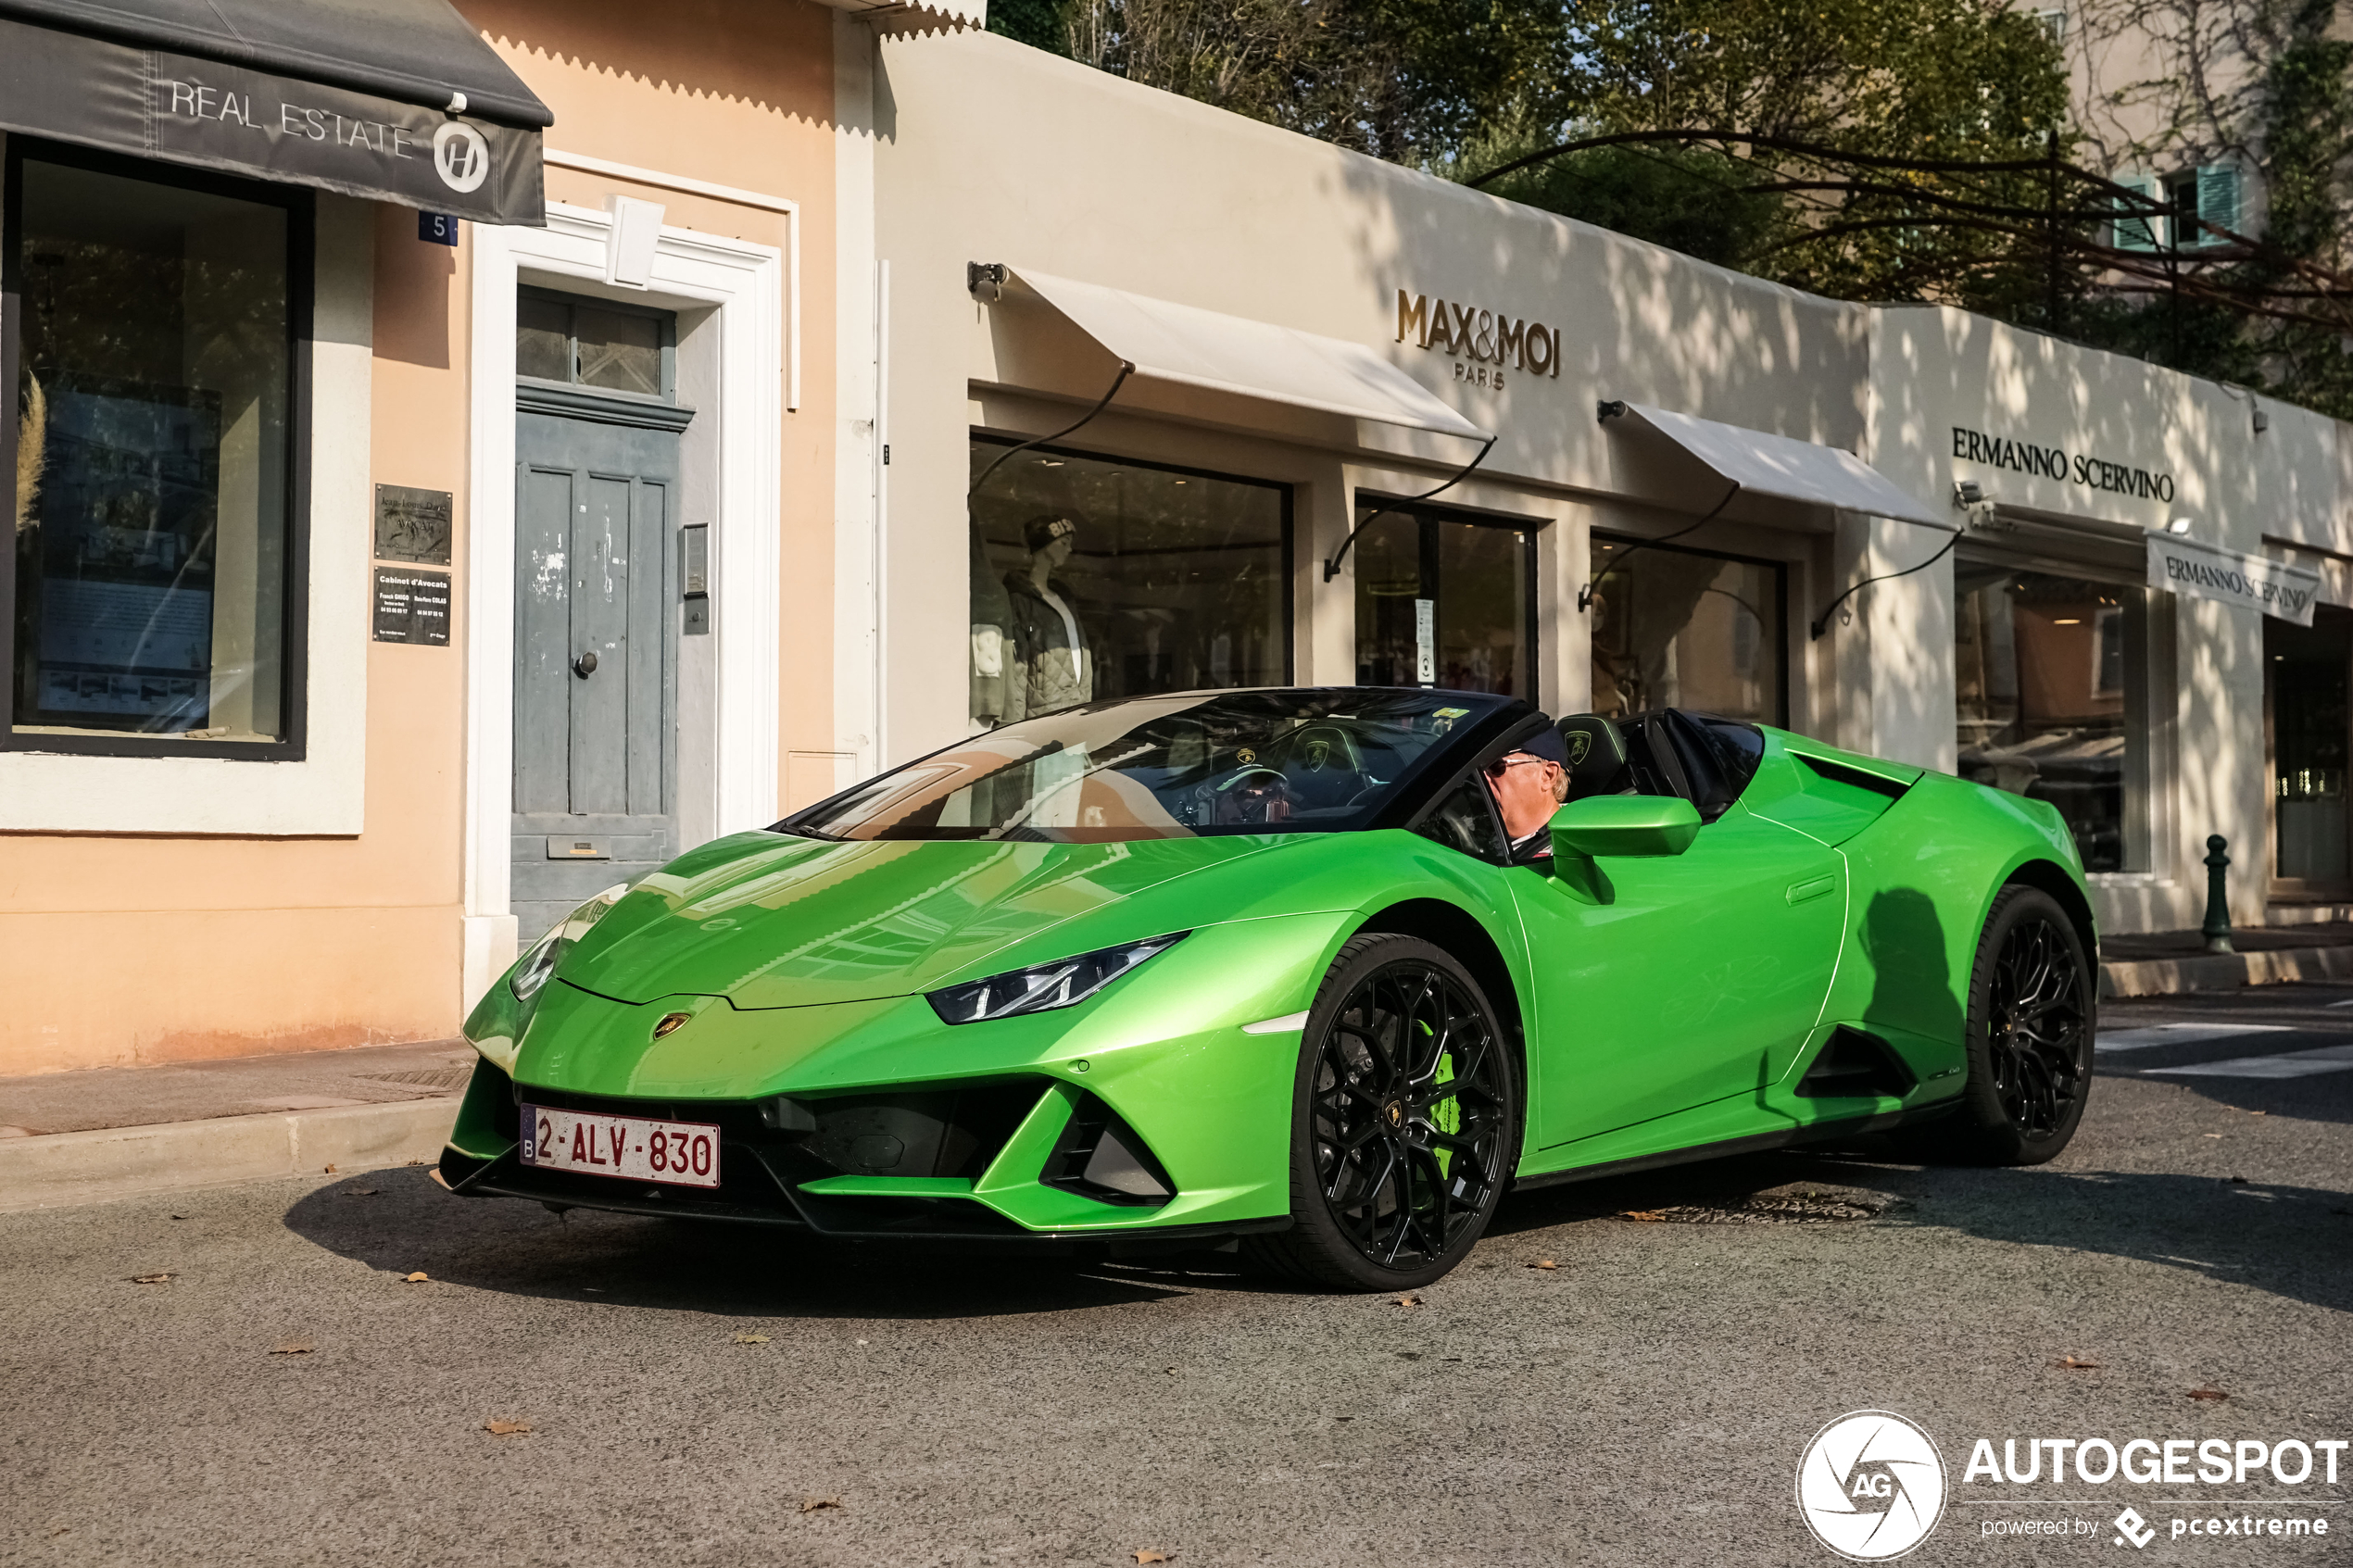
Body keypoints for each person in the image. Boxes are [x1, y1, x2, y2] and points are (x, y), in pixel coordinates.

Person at [1482, 726, 1571, 862]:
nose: (1484, 778)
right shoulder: (1469, 828)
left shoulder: (1572, 852)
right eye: (1480, 769)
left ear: (1548, 776)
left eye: (1496, 766)